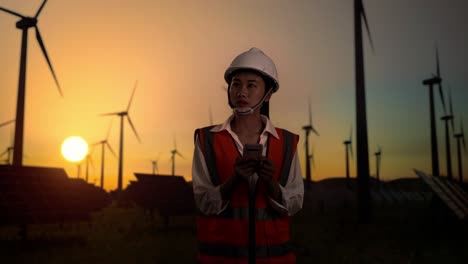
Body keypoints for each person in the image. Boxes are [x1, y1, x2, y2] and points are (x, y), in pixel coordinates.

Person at [192, 47, 304, 264]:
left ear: (269, 93)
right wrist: (233, 181)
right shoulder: (206, 139)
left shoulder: (288, 142)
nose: (241, 92)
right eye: (236, 84)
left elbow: (295, 203)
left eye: (251, 85)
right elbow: (203, 201)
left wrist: (270, 182)